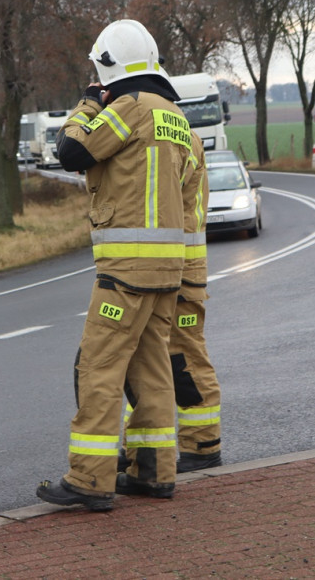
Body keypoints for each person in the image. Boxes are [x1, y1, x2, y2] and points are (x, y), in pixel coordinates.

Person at [36, 19, 191, 511]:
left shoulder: (129, 106)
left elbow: (71, 152)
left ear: (109, 67)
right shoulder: (173, 114)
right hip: (168, 268)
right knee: (151, 369)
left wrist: (86, 104)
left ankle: (90, 478)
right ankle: (154, 471)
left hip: (127, 269)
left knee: (97, 368)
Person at [120, 131, 223, 474]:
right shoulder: (180, 131)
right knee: (146, 360)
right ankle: (141, 447)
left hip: (181, 270)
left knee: (184, 358)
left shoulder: (165, 133)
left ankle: (202, 443)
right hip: (169, 267)